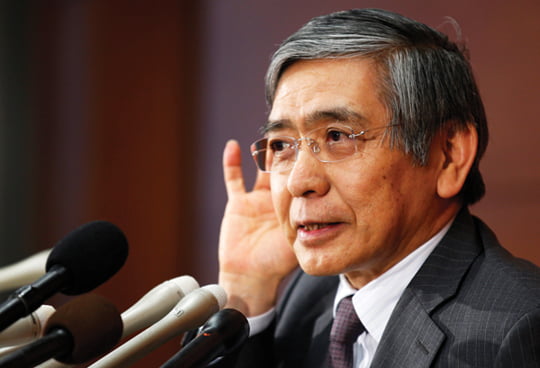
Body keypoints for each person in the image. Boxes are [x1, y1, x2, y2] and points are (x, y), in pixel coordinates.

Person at [213, 8, 540, 368]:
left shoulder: (520, 327)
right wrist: (244, 292)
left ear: (449, 155)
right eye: (281, 145)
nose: (299, 182)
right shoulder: (310, 297)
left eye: (337, 136)